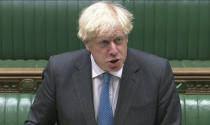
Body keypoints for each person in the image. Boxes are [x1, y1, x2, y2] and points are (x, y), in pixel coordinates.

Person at [25, 1, 181, 125]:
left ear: (126, 38)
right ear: (87, 44)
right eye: (104, 43)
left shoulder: (157, 72)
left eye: (118, 40)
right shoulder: (59, 70)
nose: (114, 50)